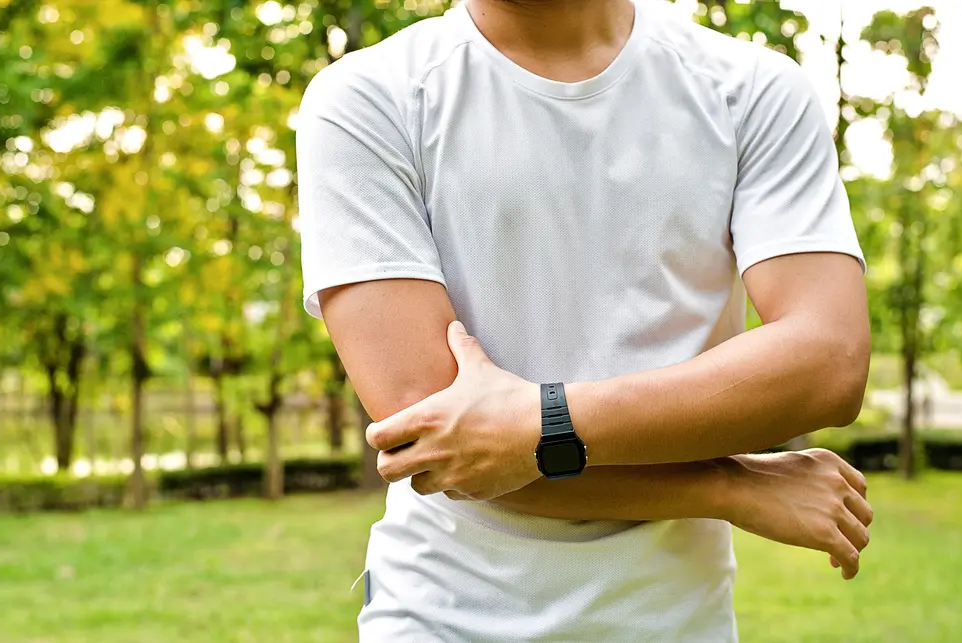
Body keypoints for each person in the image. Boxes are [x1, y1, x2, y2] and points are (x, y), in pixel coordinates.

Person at [297, 0, 873, 640]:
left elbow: (830, 359)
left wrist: (541, 427)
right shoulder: (368, 100)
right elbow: (435, 443)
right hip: (442, 621)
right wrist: (728, 485)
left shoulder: (754, 92)